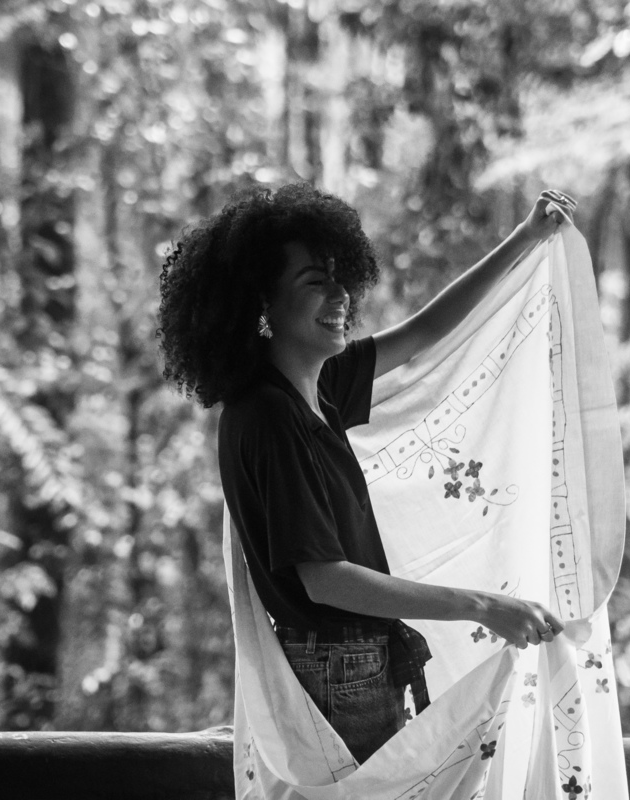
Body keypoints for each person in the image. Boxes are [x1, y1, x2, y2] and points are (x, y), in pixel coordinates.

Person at [157, 182, 577, 764]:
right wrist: (484, 607)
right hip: (335, 671)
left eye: (340, 278)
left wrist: (524, 238)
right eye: (315, 282)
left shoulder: (316, 384)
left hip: (348, 662)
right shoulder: (268, 415)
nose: (340, 296)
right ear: (262, 305)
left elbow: (424, 333)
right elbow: (326, 580)